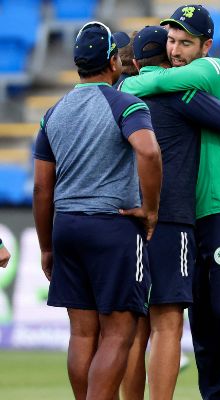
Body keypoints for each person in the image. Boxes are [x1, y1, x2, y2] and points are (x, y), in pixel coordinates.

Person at [120, 5, 220, 399]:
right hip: (192, 215)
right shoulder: (176, 88)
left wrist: (134, 79)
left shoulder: (212, 70)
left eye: (186, 42)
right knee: (203, 324)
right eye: (171, 40)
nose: (176, 49)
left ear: (207, 45)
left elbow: (135, 86)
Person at [32, 21, 162, 399]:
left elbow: (43, 187)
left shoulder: (53, 112)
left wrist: (45, 246)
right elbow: (149, 150)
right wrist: (150, 209)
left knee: (82, 333)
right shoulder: (125, 102)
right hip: (113, 226)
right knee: (118, 333)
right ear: (111, 60)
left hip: (66, 226)